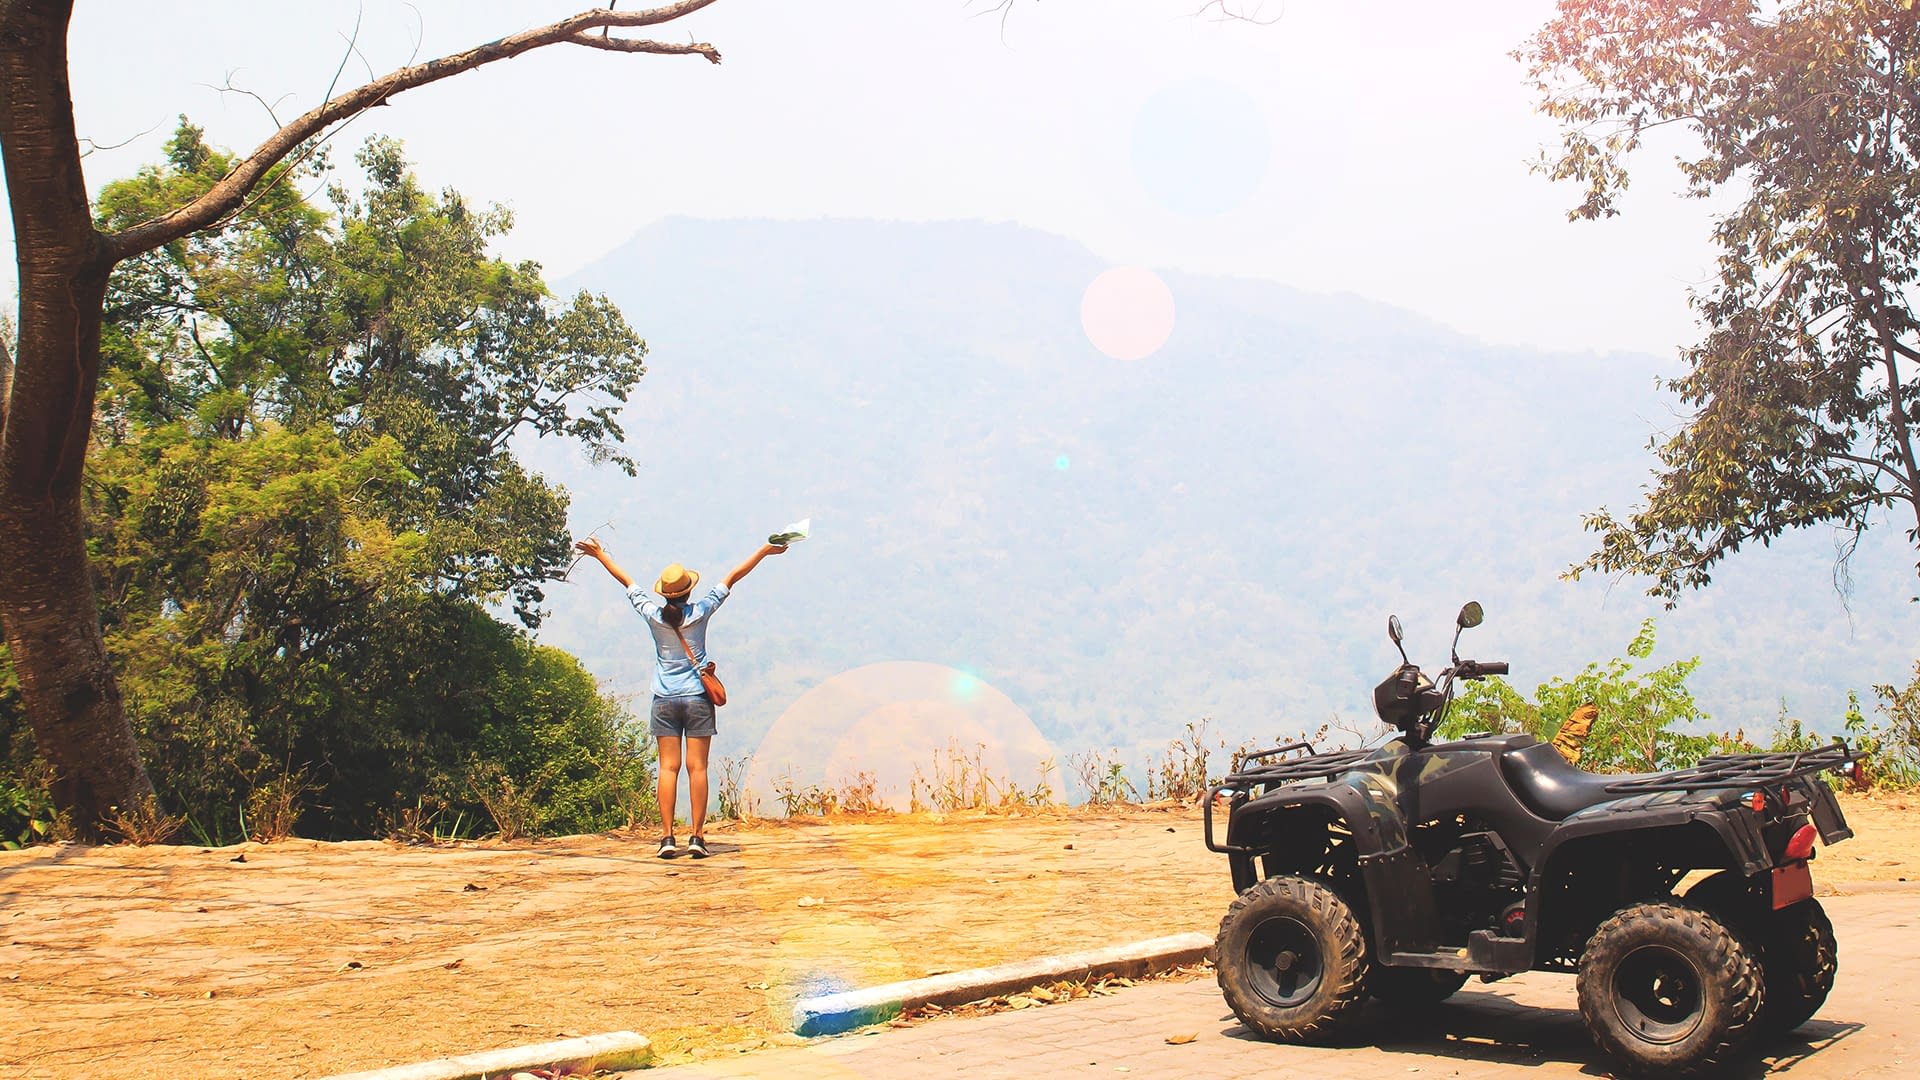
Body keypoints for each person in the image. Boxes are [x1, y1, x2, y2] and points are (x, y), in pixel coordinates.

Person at [573, 535, 787, 858]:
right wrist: (765, 551)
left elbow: (627, 581)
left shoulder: (653, 615)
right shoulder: (700, 612)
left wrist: (600, 555)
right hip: (698, 700)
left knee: (668, 768)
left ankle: (667, 838)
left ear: (665, 593)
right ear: (688, 591)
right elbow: (732, 577)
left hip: (664, 700)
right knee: (697, 768)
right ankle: (698, 838)